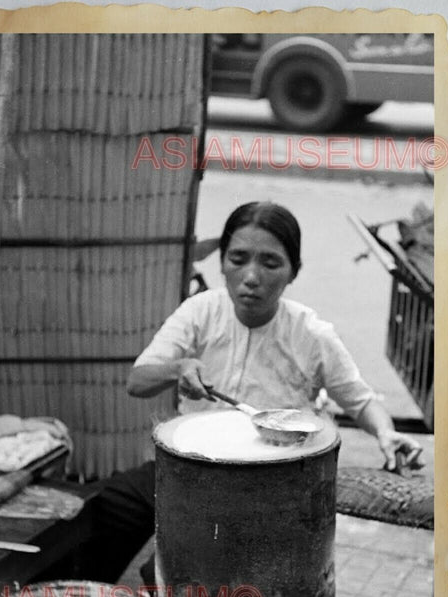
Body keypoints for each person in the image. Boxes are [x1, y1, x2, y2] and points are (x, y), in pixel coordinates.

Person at [94, 201, 423, 573]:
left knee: (186, 566)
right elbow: (138, 381)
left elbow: (361, 402)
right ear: (222, 264)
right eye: (238, 259)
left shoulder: (311, 334)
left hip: (266, 482)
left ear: (293, 272)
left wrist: (386, 433)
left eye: (270, 263)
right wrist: (179, 367)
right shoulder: (199, 311)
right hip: (188, 467)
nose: (251, 277)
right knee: (113, 504)